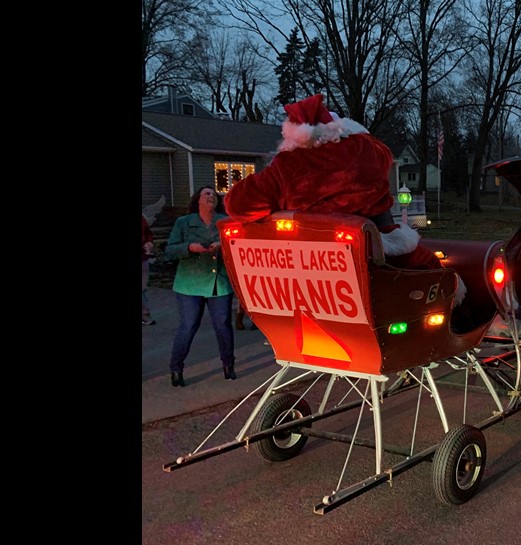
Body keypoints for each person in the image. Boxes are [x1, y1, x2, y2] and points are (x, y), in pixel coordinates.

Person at [223, 94, 461, 300]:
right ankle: (457, 307)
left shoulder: (287, 166)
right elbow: (385, 155)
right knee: (432, 270)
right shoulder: (366, 149)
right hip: (376, 249)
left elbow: (238, 204)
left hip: (308, 267)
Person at [165, 187, 237, 387]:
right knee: (188, 327)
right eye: (206, 193)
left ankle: (228, 365)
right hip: (190, 284)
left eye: (213, 194)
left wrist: (223, 245)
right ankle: (176, 368)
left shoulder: (226, 222)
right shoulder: (184, 223)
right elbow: (170, 250)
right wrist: (189, 248)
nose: (211, 196)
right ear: (197, 200)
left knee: (223, 326)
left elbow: (238, 243)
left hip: (219, 283)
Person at [142, 214, 157, 326]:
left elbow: (147, 233)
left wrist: (149, 243)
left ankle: (144, 315)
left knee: (142, 289)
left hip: (143, 258)